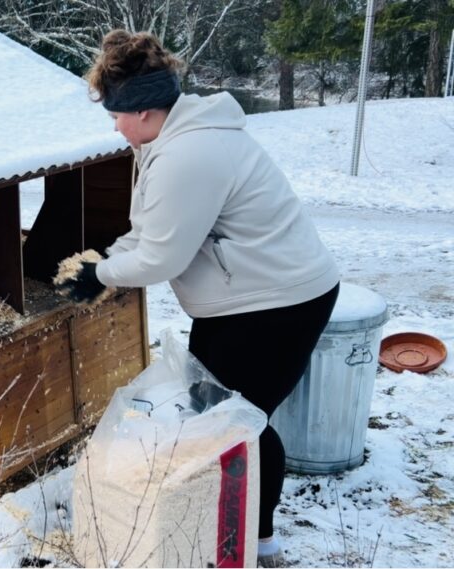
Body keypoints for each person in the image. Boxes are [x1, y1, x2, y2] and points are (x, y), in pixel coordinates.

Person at [57, 30, 340, 566]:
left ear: (141, 111)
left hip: (277, 303)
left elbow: (163, 257)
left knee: (237, 420)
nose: (114, 126)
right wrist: (106, 259)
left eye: (116, 114)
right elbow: (151, 230)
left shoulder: (191, 153)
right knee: (216, 410)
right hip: (243, 297)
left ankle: (259, 544)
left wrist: (104, 274)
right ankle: (223, 521)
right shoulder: (169, 139)